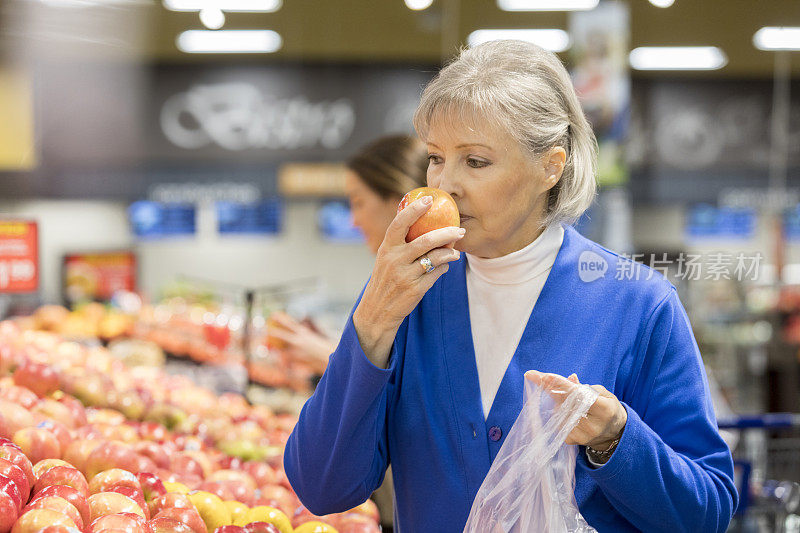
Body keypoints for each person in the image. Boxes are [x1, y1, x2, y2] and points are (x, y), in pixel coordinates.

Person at [284, 40, 738, 533]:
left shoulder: (638, 305)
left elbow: (706, 511)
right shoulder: (408, 295)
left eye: (475, 162)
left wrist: (616, 438)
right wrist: (371, 321)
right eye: (436, 159)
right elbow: (323, 485)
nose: (446, 186)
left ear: (550, 166)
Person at [270, 134, 428, 527]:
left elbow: (409, 391)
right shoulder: (392, 286)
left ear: (398, 201)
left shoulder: (430, 290)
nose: (353, 219)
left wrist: (328, 353)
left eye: (358, 202)